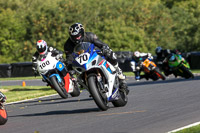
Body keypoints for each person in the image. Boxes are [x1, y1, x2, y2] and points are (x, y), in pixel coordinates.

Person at [63, 23, 129, 94]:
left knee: (111, 55)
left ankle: (120, 76)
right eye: (74, 37)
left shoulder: (90, 36)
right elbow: (69, 58)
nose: (77, 38)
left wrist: (105, 48)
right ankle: (91, 87)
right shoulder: (68, 45)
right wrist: (69, 65)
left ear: (82, 33)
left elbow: (101, 44)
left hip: (94, 54)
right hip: (82, 62)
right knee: (75, 74)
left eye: (78, 36)